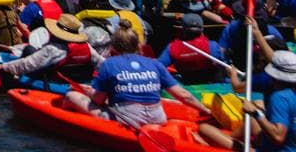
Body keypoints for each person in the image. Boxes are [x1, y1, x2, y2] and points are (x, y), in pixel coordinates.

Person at [64, 19, 209, 126]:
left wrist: (88, 92)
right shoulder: (155, 63)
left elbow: (98, 100)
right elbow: (184, 95)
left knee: (71, 96)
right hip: (158, 118)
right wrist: (206, 111)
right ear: (138, 45)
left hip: (126, 119)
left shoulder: (109, 64)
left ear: (113, 46)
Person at [0, 13, 100, 84]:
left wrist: (2, 67)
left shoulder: (54, 49)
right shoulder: (87, 46)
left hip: (56, 81)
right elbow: (101, 63)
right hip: (82, 80)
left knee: (29, 50)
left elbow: (27, 64)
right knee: (29, 49)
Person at [157, 13, 225, 85]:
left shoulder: (171, 47)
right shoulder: (212, 45)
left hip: (185, 84)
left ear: (182, 29)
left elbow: (158, 67)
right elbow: (222, 67)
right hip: (210, 85)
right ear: (202, 29)